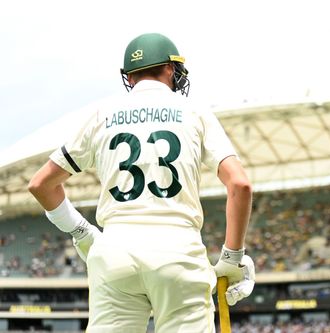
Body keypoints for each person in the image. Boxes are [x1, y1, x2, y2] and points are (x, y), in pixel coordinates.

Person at [28, 32, 255, 332]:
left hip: (114, 251)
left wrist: (82, 231)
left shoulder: (101, 114)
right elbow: (240, 186)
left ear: (130, 77)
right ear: (171, 69)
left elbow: (41, 184)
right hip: (177, 251)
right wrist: (232, 256)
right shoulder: (195, 112)